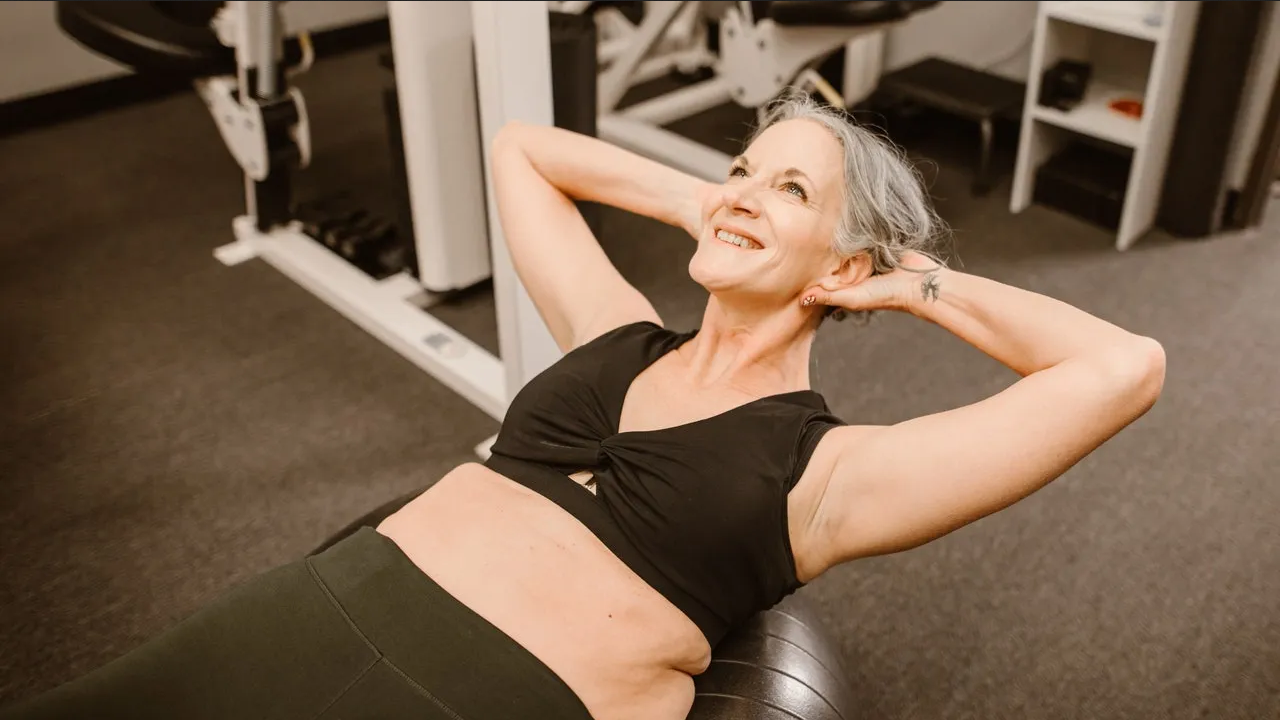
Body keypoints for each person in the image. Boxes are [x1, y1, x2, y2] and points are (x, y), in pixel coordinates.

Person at [1, 89, 1165, 720]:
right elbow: (521, 149)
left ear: (847, 266)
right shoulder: (615, 333)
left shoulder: (829, 475)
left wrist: (904, 278)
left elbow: (1122, 369)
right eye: (740, 166)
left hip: (500, 697)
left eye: (787, 187)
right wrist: (721, 204)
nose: (740, 192)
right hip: (316, 610)